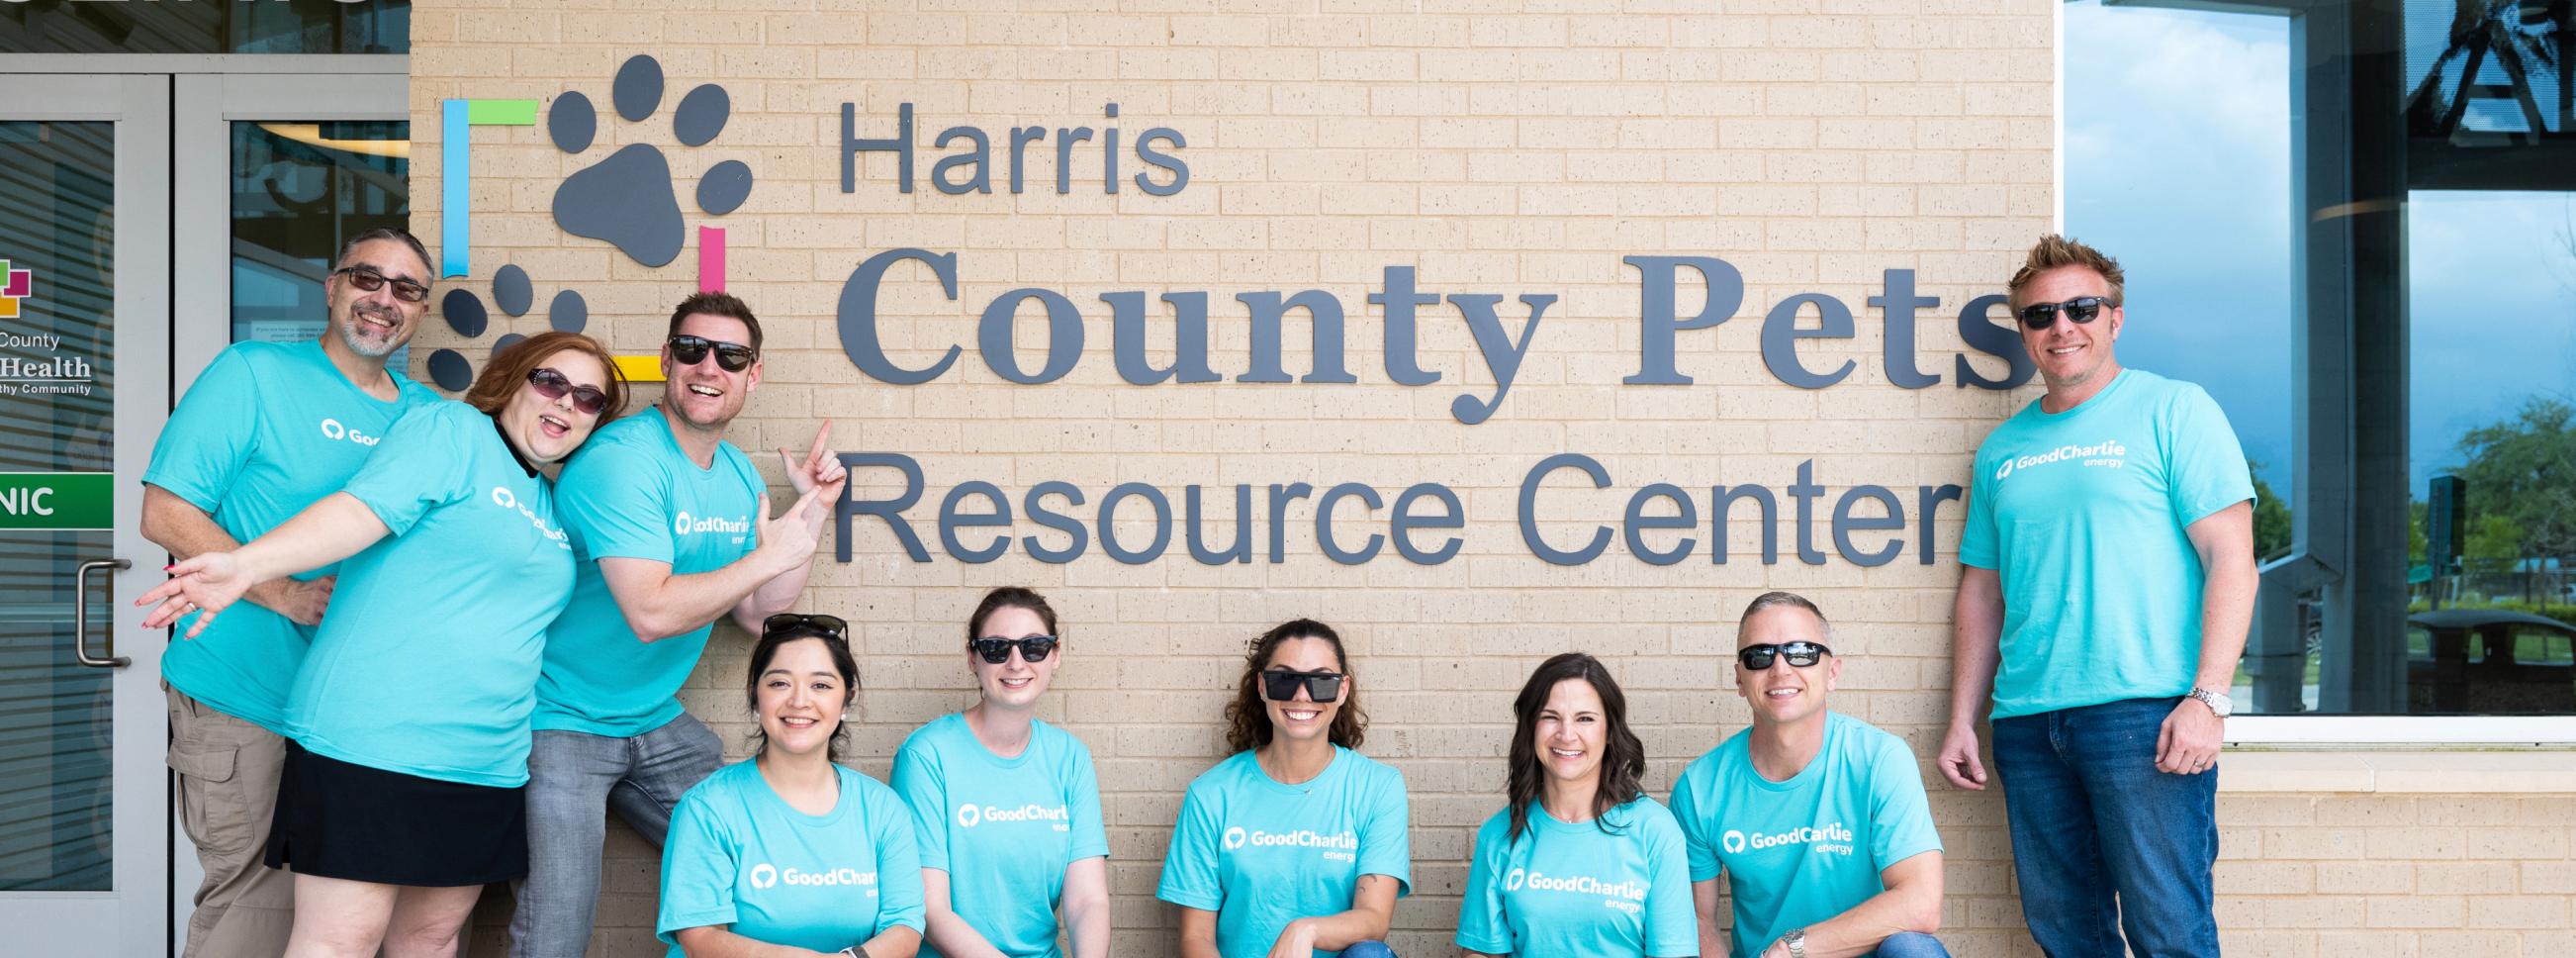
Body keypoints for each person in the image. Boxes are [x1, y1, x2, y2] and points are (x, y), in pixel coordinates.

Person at [138, 332, 628, 958]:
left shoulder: (550, 502)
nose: (566, 403)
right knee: (340, 941)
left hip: (486, 761)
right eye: (550, 381)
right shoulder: (451, 432)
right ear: (512, 380)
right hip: (374, 743)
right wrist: (248, 567)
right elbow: (355, 513)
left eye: (588, 398)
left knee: (430, 938)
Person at [1937, 235, 2255, 957]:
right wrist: (1964, 717)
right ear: (2023, 331)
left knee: (2168, 929)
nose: (2061, 327)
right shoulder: (2003, 448)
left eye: (2081, 307)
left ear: (2116, 318)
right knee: (2067, 933)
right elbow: (1982, 592)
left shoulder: (2174, 410)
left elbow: (2233, 561)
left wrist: (2208, 700)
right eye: (2040, 315)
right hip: (2028, 721)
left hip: (2143, 718)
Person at [512, 291, 846, 958]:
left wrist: (810, 514)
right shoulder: (623, 459)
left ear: (753, 375)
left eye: (731, 356)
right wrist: (766, 556)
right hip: (559, 718)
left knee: (756, 871)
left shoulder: (734, 478)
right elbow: (650, 612)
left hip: (651, 718)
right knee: (558, 924)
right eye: (692, 349)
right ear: (667, 359)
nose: (708, 367)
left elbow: (756, 615)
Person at [141, 227, 441, 957]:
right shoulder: (254, 373)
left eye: (405, 289)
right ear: (331, 286)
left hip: (358, 723)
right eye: (367, 279)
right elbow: (165, 512)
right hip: (247, 694)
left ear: (422, 312)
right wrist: (282, 593)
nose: (384, 300)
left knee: (340, 922)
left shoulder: (424, 416)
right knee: (257, 909)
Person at [1670, 593, 1947, 958]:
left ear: (1832, 672)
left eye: (1802, 652)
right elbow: (1697, 921)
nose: (1781, 669)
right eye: (1760, 655)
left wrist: (1796, 947)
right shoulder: (1702, 786)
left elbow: (1921, 903)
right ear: (1739, 678)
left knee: (1914, 949)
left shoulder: (1879, 760)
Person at [658, 615, 926, 958]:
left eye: (821, 685)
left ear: (847, 700)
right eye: (780, 683)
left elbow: (904, 926)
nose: (799, 701)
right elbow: (700, 939)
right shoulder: (708, 808)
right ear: (756, 697)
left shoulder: (883, 810)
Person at [1157, 620, 1408, 958]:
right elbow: (1196, 939)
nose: (1302, 695)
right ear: (1262, 686)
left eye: (1321, 681)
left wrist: (1306, 929)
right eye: (1284, 679)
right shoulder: (1212, 794)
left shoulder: (1377, 787)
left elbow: (1374, 918)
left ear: (1342, 689)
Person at [890, 587, 1111, 958]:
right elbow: (931, 909)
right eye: (996, 647)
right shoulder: (927, 755)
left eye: (1034, 646)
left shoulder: (1069, 757)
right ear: (972, 658)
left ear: (1055, 656)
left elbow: (1087, 900)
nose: (1016, 662)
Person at [1456, 652, 1695, 958]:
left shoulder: (1655, 831)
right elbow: (1481, 954)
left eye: (1585, 718)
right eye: (1550, 717)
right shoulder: (1499, 835)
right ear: (1531, 729)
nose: (1566, 734)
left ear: (1609, 731)